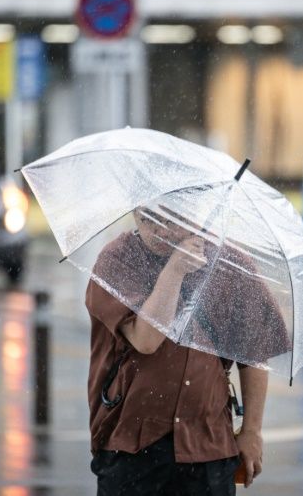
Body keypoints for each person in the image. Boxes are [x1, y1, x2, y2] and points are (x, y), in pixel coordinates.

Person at [85, 206, 287, 495]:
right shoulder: (118, 260)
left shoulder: (230, 264)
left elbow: (253, 353)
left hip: (208, 442)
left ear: (193, 215)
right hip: (132, 440)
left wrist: (252, 431)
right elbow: (147, 339)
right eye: (146, 219)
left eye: (169, 220)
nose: (157, 231)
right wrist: (175, 269)